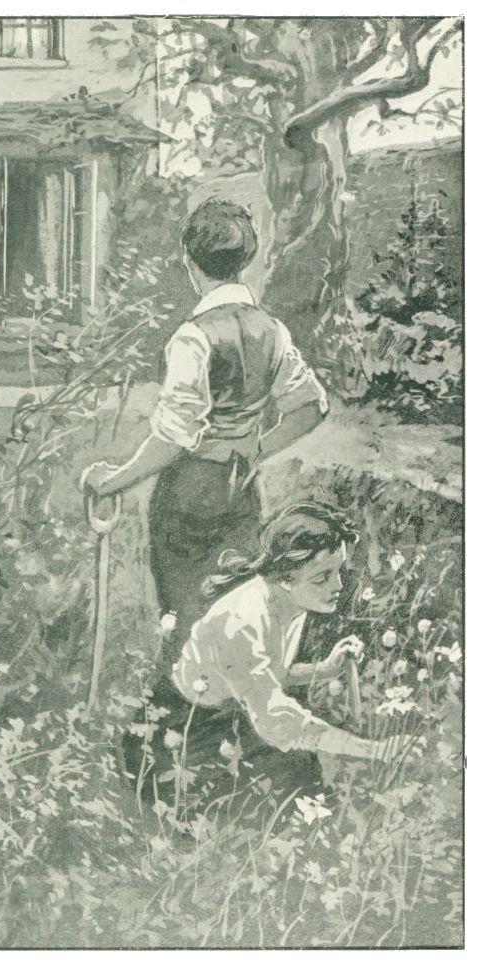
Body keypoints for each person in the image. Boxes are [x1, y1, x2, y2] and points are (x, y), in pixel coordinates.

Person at [81, 198, 329, 676]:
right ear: (245, 261)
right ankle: (227, 722)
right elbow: (311, 406)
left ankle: (182, 719)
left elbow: (175, 436)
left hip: (190, 493)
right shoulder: (272, 330)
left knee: (186, 614)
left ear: (190, 263)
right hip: (241, 491)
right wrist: (256, 450)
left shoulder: (193, 337)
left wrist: (113, 480)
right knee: (234, 610)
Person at [123, 502, 410, 813]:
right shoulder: (242, 621)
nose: (338, 585)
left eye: (338, 571)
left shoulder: (290, 603)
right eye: (322, 577)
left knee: (303, 784)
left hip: (228, 717)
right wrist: (375, 750)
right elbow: (279, 720)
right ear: (286, 578)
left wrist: (325, 669)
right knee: (289, 789)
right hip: (179, 734)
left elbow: (271, 675)